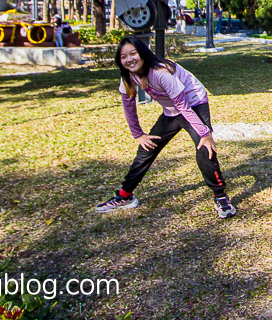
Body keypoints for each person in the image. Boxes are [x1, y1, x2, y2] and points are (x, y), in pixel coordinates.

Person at [95, 36, 237, 218]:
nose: (129, 59)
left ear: (143, 53)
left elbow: (184, 107)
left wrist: (205, 133)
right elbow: (128, 107)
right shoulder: (128, 77)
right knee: (146, 149)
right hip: (171, 111)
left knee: (205, 149)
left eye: (133, 54)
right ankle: (125, 196)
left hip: (193, 104)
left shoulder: (161, 72)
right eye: (123, 57)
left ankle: (220, 196)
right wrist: (138, 134)